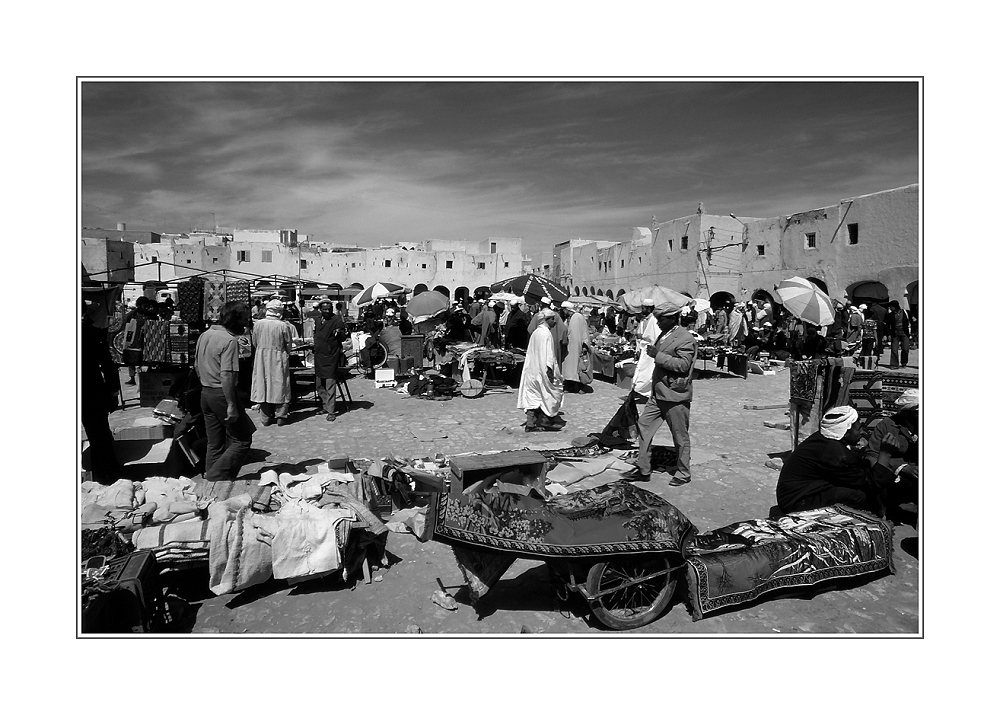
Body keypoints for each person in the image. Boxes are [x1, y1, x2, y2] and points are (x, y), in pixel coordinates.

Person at [776, 405, 900, 515]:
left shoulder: (823, 439)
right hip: (797, 502)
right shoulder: (836, 452)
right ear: (845, 433)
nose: (862, 432)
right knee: (858, 495)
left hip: (792, 494)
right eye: (858, 429)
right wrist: (885, 453)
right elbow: (872, 484)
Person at [623, 305, 698, 486]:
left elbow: (683, 366)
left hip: (675, 395)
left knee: (679, 435)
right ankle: (643, 468)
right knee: (644, 426)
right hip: (658, 394)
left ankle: (683, 472)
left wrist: (658, 356)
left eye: (661, 319)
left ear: (673, 318)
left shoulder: (685, 338)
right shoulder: (664, 334)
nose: (658, 322)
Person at [195, 301, 254, 480]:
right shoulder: (229, 341)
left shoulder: (205, 335)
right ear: (234, 319)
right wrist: (230, 404)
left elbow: (197, 366)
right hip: (221, 393)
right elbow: (227, 375)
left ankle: (212, 480)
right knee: (242, 439)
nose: (246, 324)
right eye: (244, 320)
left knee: (215, 442)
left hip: (206, 393)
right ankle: (215, 476)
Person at [81, 298, 122, 484]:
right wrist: (114, 391)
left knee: (95, 434)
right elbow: (107, 364)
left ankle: (101, 474)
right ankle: (107, 475)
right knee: (100, 435)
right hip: (92, 391)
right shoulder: (92, 332)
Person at [864, 389, 919, 519]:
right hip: (893, 474)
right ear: (907, 413)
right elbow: (872, 455)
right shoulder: (887, 426)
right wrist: (902, 468)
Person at [517, 309, 564, 432]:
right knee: (549, 395)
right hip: (542, 371)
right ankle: (546, 420)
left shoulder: (536, 332)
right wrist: (549, 372)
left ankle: (531, 423)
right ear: (546, 320)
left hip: (532, 371)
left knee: (534, 397)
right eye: (552, 319)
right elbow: (548, 355)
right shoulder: (545, 334)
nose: (554, 321)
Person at [251, 299, 295, 426]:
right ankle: (281, 415)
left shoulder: (258, 324)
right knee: (280, 385)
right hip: (278, 357)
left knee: (262, 385)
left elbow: (255, 342)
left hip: (261, 357)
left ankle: (265, 418)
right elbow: (288, 344)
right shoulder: (283, 325)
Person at [313, 299, 347, 422]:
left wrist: (339, 334)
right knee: (319, 384)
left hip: (331, 355)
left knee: (330, 384)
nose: (327, 311)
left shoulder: (336, 320)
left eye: (329, 309)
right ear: (320, 310)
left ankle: (331, 411)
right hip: (319, 355)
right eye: (325, 309)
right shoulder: (317, 320)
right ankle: (325, 405)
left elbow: (343, 336)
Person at [559, 300, 591, 392]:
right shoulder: (566, 319)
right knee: (569, 367)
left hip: (578, 347)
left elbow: (584, 331)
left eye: (563, 310)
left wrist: (585, 345)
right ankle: (570, 385)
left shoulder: (578, 317)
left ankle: (581, 386)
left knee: (579, 367)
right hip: (569, 348)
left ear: (567, 309)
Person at [887, 300, 911, 369]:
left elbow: (911, 322)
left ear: (895, 307)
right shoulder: (890, 315)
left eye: (891, 307)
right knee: (894, 349)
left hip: (904, 333)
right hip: (895, 333)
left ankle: (904, 363)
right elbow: (888, 325)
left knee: (905, 349)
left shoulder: (906, 313)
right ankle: (894, 364)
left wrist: (912, 332)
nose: (890, 308)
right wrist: (887, 334)